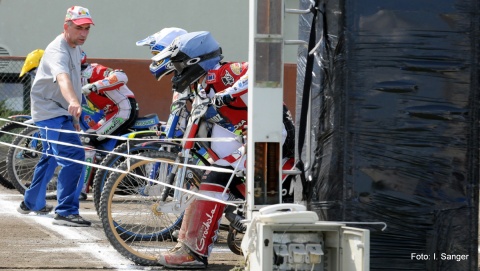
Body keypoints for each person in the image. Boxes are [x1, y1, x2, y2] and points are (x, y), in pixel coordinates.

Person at [152, 31, 295, 269]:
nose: (176, 71)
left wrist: (228, 93)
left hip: (273, 140)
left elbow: (259, 68)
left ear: (194, 61)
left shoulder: (223, 73)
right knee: (210, 177)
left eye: (178, 65)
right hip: (257, 141)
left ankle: (194, 252)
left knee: (215, 176)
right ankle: (188, 246)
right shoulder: (203, 85)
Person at [17, 6, 94, 227]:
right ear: (66, 26)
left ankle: (32, 202)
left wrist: (75, 118)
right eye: (79, 28)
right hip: (51, 112)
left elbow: (75, 80)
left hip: (59, 112)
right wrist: (72, 102)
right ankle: (66, 211)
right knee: (74, 157)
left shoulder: (75, 49)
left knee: (51, 156)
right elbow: (63, 78)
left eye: (87, 28)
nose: (84, 33)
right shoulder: (57, 50)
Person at [80, 54, 139, 144]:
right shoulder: (71, 78)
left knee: (88, 139)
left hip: (122, 109)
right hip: (109, 112)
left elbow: (121, 76)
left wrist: (94, 86)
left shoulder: (92, 71)